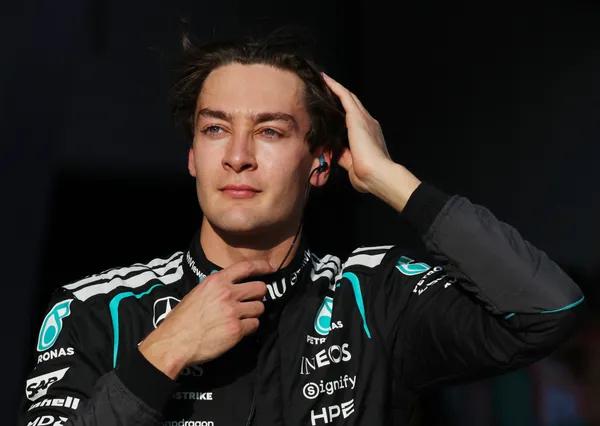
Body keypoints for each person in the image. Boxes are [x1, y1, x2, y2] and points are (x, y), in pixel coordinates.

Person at [18, 28, 585, 426]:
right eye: (215, 129)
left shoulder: (372, 296)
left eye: (269, 131)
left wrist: (389, 179)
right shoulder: (97, 311)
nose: (237, 156)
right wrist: (165, 351)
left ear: (319, 162)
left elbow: (548, 310)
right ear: (192, 155)